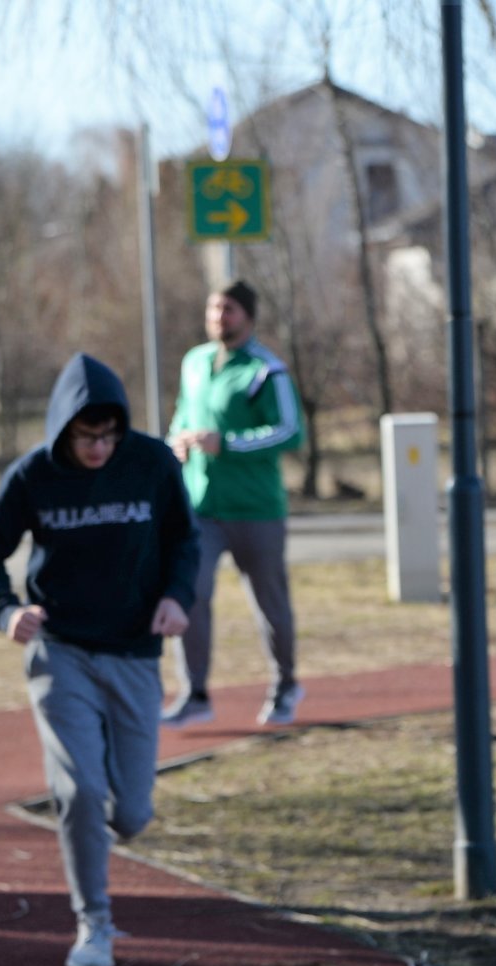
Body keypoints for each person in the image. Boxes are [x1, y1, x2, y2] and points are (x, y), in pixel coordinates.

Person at [0, 354, 199, 966]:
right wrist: (6, 611)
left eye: (108, 435)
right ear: (64, 428)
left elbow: (185, 540)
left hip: (132, 652)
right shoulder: (33, 475)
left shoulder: (150, 463)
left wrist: (178, 597)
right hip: (60, 651)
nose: (98, 447)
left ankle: (106, 846)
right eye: (85, 435)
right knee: (78, 789)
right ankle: (93, 922)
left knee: (131, 813)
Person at [163, 280, 306, 727]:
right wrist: (176, 445)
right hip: (201, 508)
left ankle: (286, 684)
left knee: (269, 603)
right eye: (213, 308)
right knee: (191, 594)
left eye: (227, 309)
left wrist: (227, 444)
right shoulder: (195, 362)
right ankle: (196, 692)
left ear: (246, 315)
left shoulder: (267, 371)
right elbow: (183, 417)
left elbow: (289, 431)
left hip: (256, 510)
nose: (218, 317)